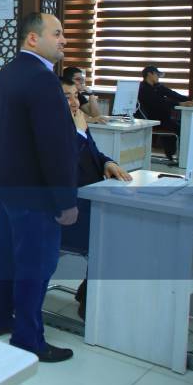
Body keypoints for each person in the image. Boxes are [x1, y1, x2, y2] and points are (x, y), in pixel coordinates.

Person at [0, 12, 78, 363]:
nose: (63, 40)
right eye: (57, 33)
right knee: (36, 263)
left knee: (6, 254)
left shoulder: (9, 71)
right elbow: (54, 146)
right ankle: (28, 337)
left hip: (6, 185)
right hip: (34, 191)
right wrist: (66, 199)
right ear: (33, 38)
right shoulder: (42, 78)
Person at [59, 79, 131, 320]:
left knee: (124, 224)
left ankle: (90, 290)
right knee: (115, 234)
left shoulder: (77, 121)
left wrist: (108, 162)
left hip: (90, 201)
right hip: (67, 211)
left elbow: (94, 154)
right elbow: (65, 166)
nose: (74, 102)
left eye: (76, 95)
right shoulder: (52, 129)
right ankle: (91, 299)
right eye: (67, 97)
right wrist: (79, 133)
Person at [136, 65, 193, 164]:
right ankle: (183, 159)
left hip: (164, 118)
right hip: (154, 120)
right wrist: (179, 104)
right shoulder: (143, 89)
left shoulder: (158, 86)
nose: (158, 77)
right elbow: (159, 102)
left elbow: (173, 94)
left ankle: (173, 155)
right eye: (157, 74)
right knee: (181, 129)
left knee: (182, 125)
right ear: (149, 74)